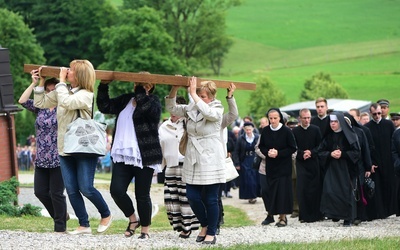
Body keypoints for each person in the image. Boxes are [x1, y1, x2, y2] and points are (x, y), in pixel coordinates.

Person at [34, 60, 112, 235]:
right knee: (71, 189)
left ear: (79, 75)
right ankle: (84, 224)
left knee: (86, 187)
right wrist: (40, 82)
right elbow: (40, 104)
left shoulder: (86, 94)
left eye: (71, 70)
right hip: (65, 147)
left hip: (84, 147)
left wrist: (60, 82)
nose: (66, 71)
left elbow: (68, 103)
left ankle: (106, 214)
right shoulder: (64, 91)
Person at [97, 75, 162, 239]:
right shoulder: (126, 100)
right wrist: (103, 86)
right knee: (116, 190)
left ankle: (145, 229)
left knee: (142, 194)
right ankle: (133, 219)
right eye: (138, 84)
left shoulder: (153, 102)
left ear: (151, 86)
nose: (140, 87)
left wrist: (142, 91)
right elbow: (104, 107)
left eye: (144, 84)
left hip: (145, 155)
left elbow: (145, 108)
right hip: (123, 154)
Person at [166, 77, 225, 245]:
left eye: (204, 95)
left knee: (211, 199)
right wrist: (174, 89)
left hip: (211, 157)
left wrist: (193, 94)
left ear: (212, 97)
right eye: (199, 94)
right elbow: (171, 107)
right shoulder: (192, 108)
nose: (200, 98)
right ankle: (205, 225)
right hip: (193, 158)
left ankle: (211, 232)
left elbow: (209, 113)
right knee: (192, 196)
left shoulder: (217, 108)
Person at [19, 71, 67, 233]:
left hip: (59, 157)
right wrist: (36, 82)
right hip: (41, 157)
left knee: (56, 193)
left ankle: (60, 227)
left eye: (53, 90)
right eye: (47, 90)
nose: (50, 93)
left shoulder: (63, 107)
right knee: (40, 192)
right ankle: (60, 215)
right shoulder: (41, 107)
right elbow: (22, 101)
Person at [159, 95, 200, 238]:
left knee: (185, 198)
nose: (173, 111)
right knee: (172, 198)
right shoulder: (164, 126)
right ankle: (179, 225)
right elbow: (161, 147)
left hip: (186, 164)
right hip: (170, 166)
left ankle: (188, 226)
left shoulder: (189, 124)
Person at [318, 112, 360, 226]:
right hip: (332, 168)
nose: (333, 124)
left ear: (340, 122)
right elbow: (320, 152)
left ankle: (348, 218)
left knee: (346, 192)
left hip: (346, 168)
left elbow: (356, 152)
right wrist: (330, 154)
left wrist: (343, 154)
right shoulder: (328, 137)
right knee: (330, 191)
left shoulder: (349, 136)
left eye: (335, 122)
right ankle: (334, 214)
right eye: (331, 122)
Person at [258, 108, 297, 227]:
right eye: (271, 118)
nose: (273, 120)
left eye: (275, 118)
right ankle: (271, 214)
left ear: (280, 118)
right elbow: (261, 146)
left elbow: (292, 148)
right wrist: (268, 152)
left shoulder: (286, 131)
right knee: (269, 191)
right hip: (271, 166)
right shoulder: (265, 131)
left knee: (283, 193)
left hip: (284, 167)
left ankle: (283, 217)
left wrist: (278, 153)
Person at [364, 103, 396, 220]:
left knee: (389, 186)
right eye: (374, 114)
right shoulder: (367, 127)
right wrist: (370, 163)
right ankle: (380, 212)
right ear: (370, 113)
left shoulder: (389, 124)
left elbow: (394, 143)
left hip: (388, 162)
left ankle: (390, 210)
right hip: (375, 163)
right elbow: (367, 148)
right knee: (377, 188)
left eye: (379, 113)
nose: (377, 116)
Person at [292, 108, 322, 223]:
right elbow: (293, 147)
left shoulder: (316, 130)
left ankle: (316, 215)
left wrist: (311, 152)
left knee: (315, 188)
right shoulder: (295, 132)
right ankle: (304, 215)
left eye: (309, 118)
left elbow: (320, 146)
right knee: (302, 189)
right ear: (300, 118)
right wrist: (302, 154)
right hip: (301, 163)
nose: (307, 120)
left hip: (314, 163)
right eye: (304, 118)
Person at [232, 122, 260, 204]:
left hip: (255, 159)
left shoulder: (257, 137)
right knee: (248, 179)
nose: (248, 131)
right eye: (247, 130)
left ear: (253, 129)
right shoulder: (241, 138)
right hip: (245, 160)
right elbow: (236, 151)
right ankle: (251, 196)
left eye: (249, 129)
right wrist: (237, 163)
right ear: (244, 130)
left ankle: (255, 195)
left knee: (255, 178)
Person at [254, 116, 274, 225]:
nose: (262, 125)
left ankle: (281, 214)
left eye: (264, 123)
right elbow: (257, 148)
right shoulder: (262, 136)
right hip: (264, 167)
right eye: (261, 123)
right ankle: (270, 213)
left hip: (277, 166)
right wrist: (266, 156)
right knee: (264, 190)